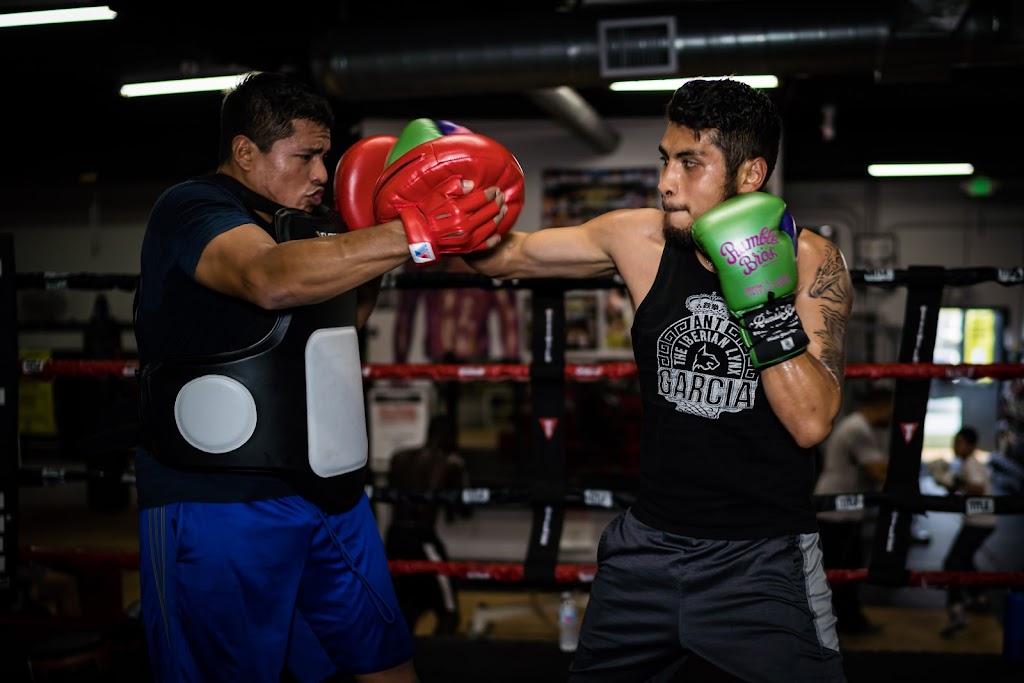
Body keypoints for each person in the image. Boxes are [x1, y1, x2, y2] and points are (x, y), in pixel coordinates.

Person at [464, 78, 853, 682]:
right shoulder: (638, 239)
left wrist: (762, 304)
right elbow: (507, 257)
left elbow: (810, 423)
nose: (668, 181)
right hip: (646, 551)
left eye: (691, 163)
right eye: (665, 160)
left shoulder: (811, 261)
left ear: (750, 174)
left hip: (763, 559)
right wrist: (446, 211)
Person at [132, 71, 512, 682]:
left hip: (331, 498)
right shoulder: (193, 206)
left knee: (385, 664)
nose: (319, 174)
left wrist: (382, 233)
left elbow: (343, 325)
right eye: (304, 155)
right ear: (245, 151)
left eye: (325, 157)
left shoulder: (315, 224)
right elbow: (267, 279)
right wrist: (411, 233)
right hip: (221, 503)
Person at [813, 384, 894, 635]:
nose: (893, 414)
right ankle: (840, 624)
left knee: (847, 568)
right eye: (891, 408)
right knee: (839, 571)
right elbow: (878, 473)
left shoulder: (864, 427)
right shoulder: (858, 429)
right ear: (881, 405)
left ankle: (847, 621)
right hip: (836, 512)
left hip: (843, 510)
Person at [384, 414, 467, 635]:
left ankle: (404, 663)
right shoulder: (446, 464)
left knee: (404, 611)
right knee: (449, 611)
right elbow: (459, 511)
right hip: (422, 539)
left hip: (394, 538)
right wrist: (459, 474)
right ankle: (440, 664)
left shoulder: (399, 457)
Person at [929, 426, 997, 637]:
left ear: (972, 446)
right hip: (980, 522)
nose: (955, 446)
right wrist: (943, 479)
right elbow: (958, 488)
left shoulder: (973, 464)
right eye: (954, 442)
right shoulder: (965, 464)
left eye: (960, 443)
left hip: (980, 523)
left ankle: (956, 609)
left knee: (952, 563)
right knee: (965, 561)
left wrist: (953, 481)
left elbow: (976, 488)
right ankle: (978, 597)